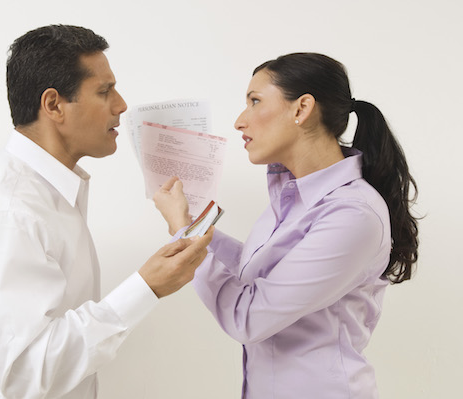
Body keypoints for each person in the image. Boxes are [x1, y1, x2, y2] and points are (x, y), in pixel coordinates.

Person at [0, 24, 213, 399]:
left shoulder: (46, 194)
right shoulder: (5, 214)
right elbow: (29, 374)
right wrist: (146, 287)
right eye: (104, 91)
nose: (122, 105)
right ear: (53, 105)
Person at [154, 52, 419, 399]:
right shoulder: (291, 196)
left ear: (301, 109)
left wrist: (181, 231)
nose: (239, 121)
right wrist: (192, 227)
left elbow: (247, 317)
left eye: (254, 101)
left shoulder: (353, 214)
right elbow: (256, 273)